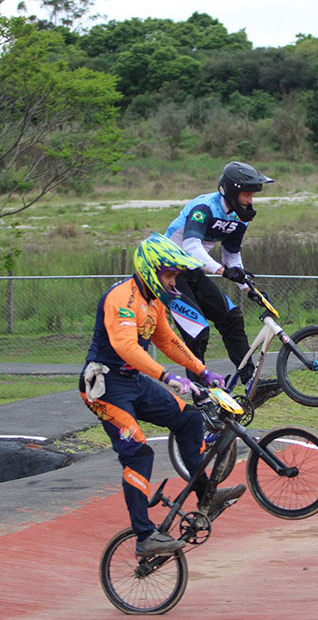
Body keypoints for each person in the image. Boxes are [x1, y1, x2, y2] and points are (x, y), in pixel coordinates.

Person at [79, 232, 246, 557]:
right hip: (104, 388)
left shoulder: (154, 303)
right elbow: (126, 347)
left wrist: (201, 370)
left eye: (175, 275)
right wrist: (168, 377)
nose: (173, 281)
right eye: (168, 274)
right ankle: (144, 536)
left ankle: (205, 494)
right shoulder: (122, 299)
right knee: (139, 454)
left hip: (133, 383)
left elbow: (168, 341)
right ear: (149, 270)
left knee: (188, 419)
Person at [163, 161, 280, 403]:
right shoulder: (204, 207)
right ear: (230, 191)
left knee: (232, 317)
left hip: (193, 270)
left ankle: (250, 383)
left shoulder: (240, 218)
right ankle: (200, 394)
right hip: (167, 273)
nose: (250, 201)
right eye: (246, 194)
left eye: (252, 195)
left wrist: (249, 289)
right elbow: (191, 246)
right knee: (197, 330)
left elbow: (231, 256)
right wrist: (222, 271)